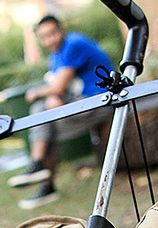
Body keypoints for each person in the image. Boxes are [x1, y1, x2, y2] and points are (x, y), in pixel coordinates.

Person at [8, 15, 114, 210]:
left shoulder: (74, 44)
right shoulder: (56, 55)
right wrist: (52, 95)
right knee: (45, 117)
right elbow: (57, 89)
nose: (49, 40)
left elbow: (57, 87)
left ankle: (42, 174)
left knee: (43, 118)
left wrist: (37, 93)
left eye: (52, 34)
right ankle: (42, 175)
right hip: (82, 102)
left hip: (104, 101)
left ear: (61, 30)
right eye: (44, 37)